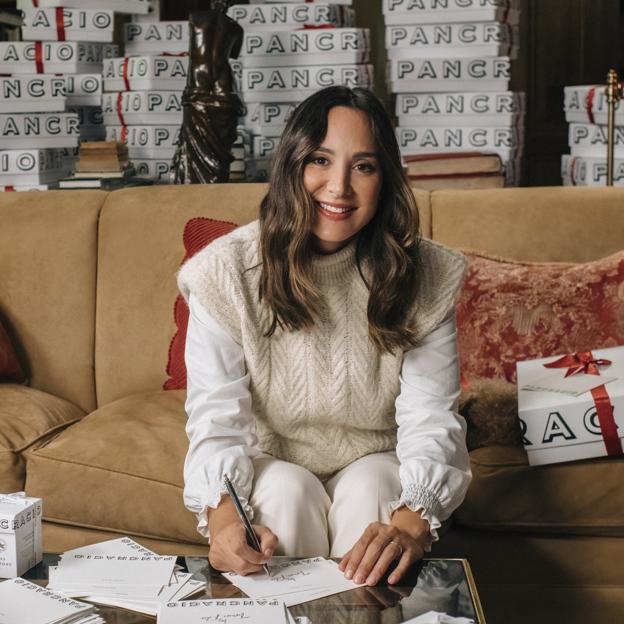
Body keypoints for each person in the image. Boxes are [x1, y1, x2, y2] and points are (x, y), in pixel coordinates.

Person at [177, 86, 471, 588]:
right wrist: (225, 525)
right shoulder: (225, 272)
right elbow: (216, 421)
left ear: (385, 180)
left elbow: (431, 418)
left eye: (363, 166)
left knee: (376, 487)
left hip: (379, 457)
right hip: (275, 459)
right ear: (291, 164)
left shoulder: (426, 274)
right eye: (320, 160)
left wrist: (411, 527)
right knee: (287, 493)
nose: (338, 187)